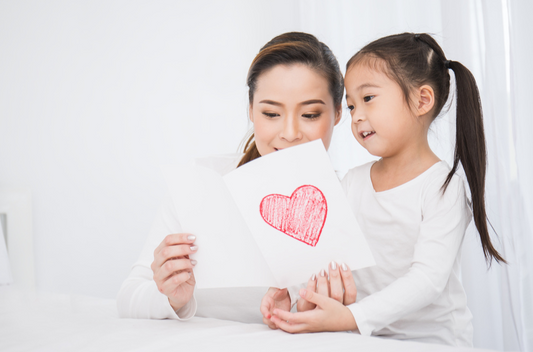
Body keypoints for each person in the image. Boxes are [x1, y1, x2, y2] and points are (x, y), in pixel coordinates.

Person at [263, 33, 506, 347]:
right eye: (350, 106)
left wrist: (353, 317)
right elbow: (320, 254)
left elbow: (428, 280)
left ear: (422, 100)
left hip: (432, 342)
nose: (357, 116)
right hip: (370, 338)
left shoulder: (441, 187)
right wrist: (291, 295)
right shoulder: (352, 182)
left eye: (368, 99)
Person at [116, 31, 344, 322]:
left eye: (310, 114)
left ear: (338, 112)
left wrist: (318, 316)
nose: (289, 133)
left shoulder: (354, 197)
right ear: (251, 110)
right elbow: (128, 297)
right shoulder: (202, 184)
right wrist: (171, 298)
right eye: (271, 114)